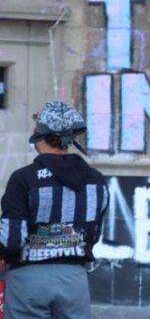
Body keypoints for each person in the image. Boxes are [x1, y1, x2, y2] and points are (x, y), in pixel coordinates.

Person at [0, 100, 108, 319]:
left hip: (27, 279)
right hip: (74, 280)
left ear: (39, 133)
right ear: (71, 138)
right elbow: (93, 235)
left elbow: (11, 240)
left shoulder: (23, 179)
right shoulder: (96, 180)